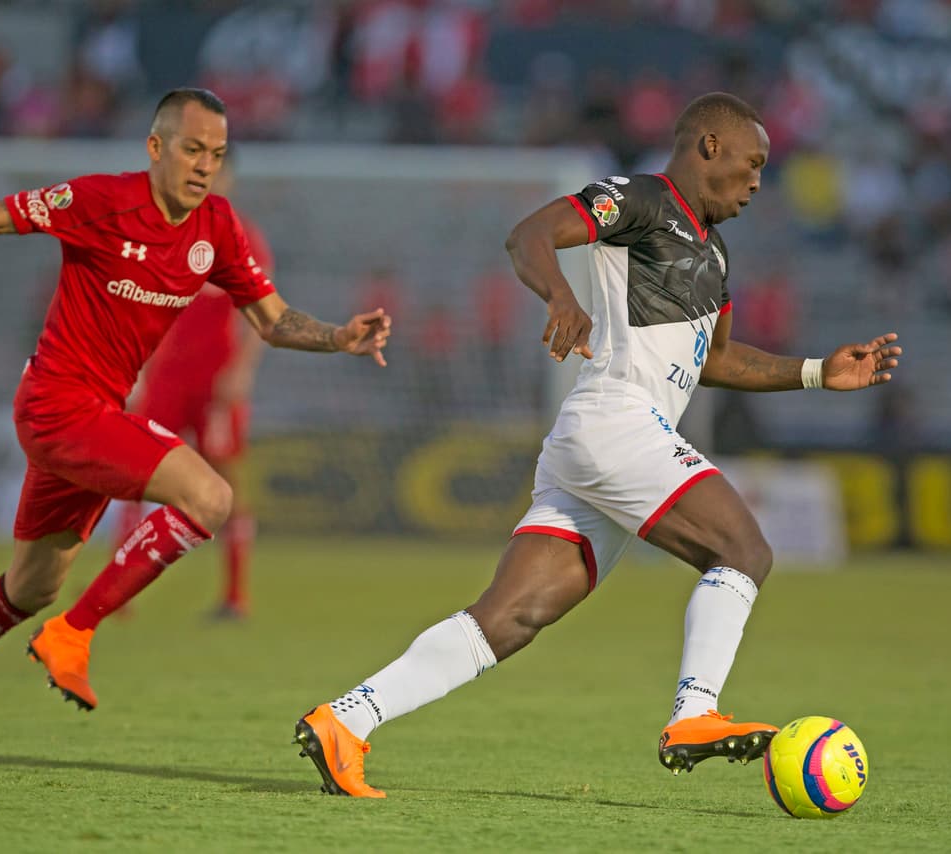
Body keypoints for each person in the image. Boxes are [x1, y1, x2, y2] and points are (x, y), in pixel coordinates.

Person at [292, 92, 902, 798]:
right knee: (745, 552)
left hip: (605, 443)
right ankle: (694, 714)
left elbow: (715, 360)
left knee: (511, 617)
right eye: (753, 162)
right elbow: (529, 235)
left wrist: (818, 373)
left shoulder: (717, 253)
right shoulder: (642, 199)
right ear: (709, 146)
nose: (760, 181)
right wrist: (559, 296)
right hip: (617, 420)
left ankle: (346, 720)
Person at [0, 88, 391, 756]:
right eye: (192, 149)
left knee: (30, 585)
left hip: (96, 414)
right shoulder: (104, 201)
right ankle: (75, 632)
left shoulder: (217, 227)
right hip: (58, 402)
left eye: (216, 155)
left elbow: (273, 319)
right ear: (156, 147)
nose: (204, 167)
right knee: (210, 496)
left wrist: (340, 336)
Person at [110, 152, 269, 620]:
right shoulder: (165, 231)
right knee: (135, 475)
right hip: (167, 377)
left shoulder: (244, 238)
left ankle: (235, 595)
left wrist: (241, 372)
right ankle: (119, 589)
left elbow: (262, 314)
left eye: (220, 171)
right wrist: (135, 368)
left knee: (227, 481)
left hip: (215, 381)